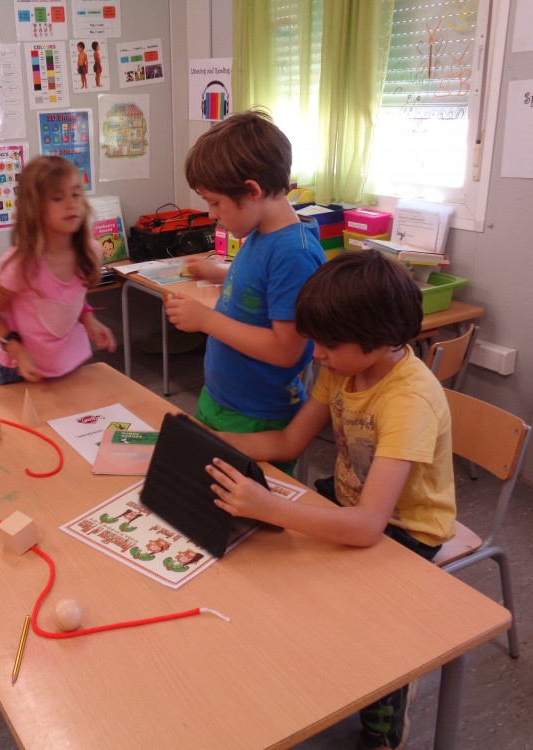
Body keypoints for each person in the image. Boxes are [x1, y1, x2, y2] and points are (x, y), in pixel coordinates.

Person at [206, 248, 456, 750]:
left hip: (406, 530)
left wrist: (269, 507)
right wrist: (210, 439)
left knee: (364, 621)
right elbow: (288, 442)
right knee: (272, 559)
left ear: (381, 338)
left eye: (328, 343)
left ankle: (386, 714)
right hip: (350, 502)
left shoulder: (409, 400)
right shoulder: (343, 367)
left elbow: (369, 527)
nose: (315, 354)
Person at [165, 110, 323, 472]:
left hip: (257, 417)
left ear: (252, 191)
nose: (211, 214)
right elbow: (262, 291)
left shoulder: (294, 253)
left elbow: (286, 350)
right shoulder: (261, 233)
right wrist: (219, 273)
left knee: (239, 501)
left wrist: (205, 320)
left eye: (215, 202)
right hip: (221, 398)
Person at [0, 155, 116, 386]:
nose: (71, 204)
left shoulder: (90, 252)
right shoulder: (19, 264)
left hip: (65, 363)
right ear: (34, 208)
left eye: (76, 195)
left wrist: (89, 320)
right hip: (15, 369)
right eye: (57, 198)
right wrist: (19, 352)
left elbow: (72, 297)